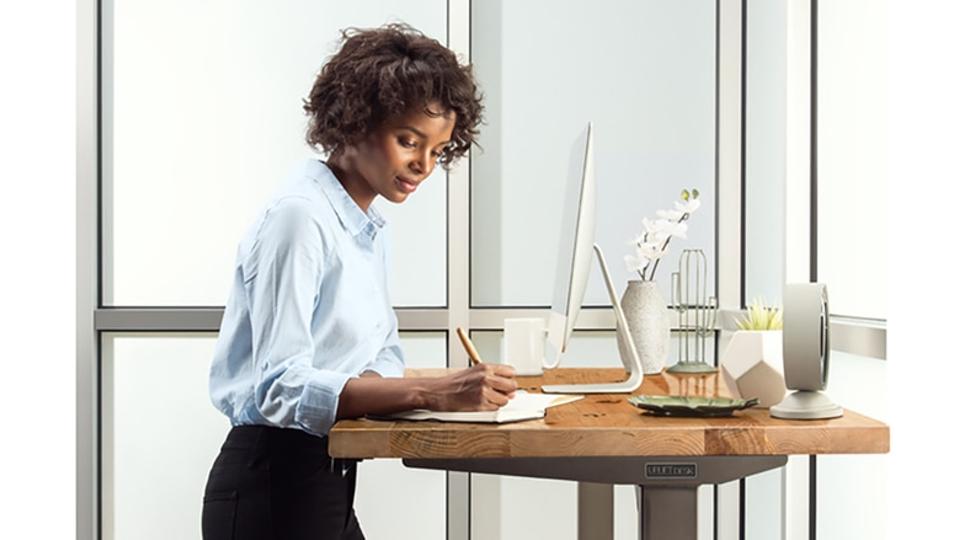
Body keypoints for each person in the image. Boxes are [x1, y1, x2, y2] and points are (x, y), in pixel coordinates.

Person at [201, 23, 517, 540]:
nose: (423, 165)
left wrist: (445, 389)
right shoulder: (301, 219)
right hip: (273, 489)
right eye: (408, 141)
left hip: (322, 483)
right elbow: (280, 385)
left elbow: (377, 359)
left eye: (437, 150)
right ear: (353, 121)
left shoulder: (362, 227)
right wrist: (433, 392)